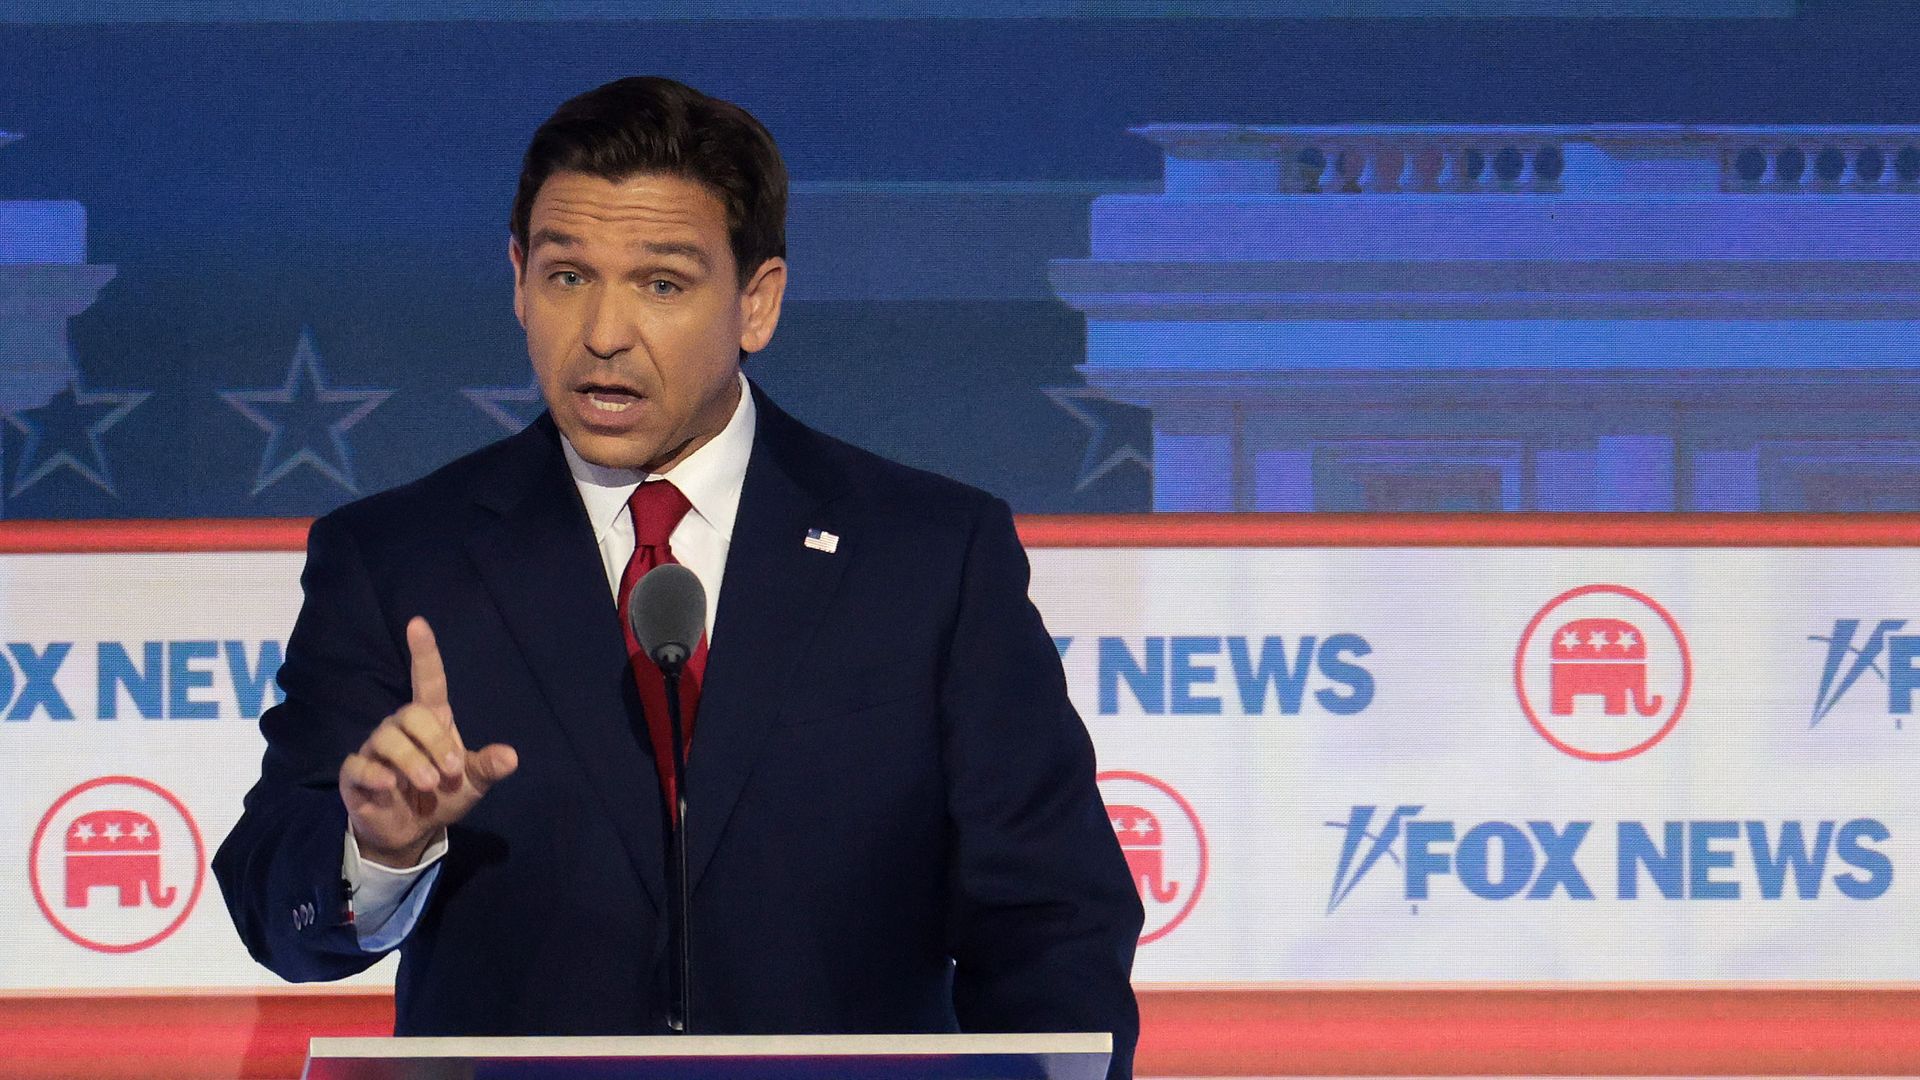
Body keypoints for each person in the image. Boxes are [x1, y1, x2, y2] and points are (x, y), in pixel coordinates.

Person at [211, 76, 1144, 1078]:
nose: (605, 332)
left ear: (757, 302)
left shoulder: (928, 555)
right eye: (568, 276)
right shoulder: (398, 558)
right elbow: (280, 904)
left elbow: (1051, 916)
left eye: (661, 284)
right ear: (518, 278)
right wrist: (380, 850)